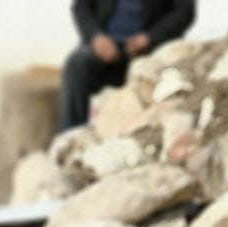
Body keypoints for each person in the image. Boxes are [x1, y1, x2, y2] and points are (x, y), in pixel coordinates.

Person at [59, 0, 195, 131]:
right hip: (104, 49)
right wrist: (96, 37)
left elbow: (184, 11)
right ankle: (70, 138)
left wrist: (150, 38)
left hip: (151, 51)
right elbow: (81, 7)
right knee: (77, 64)